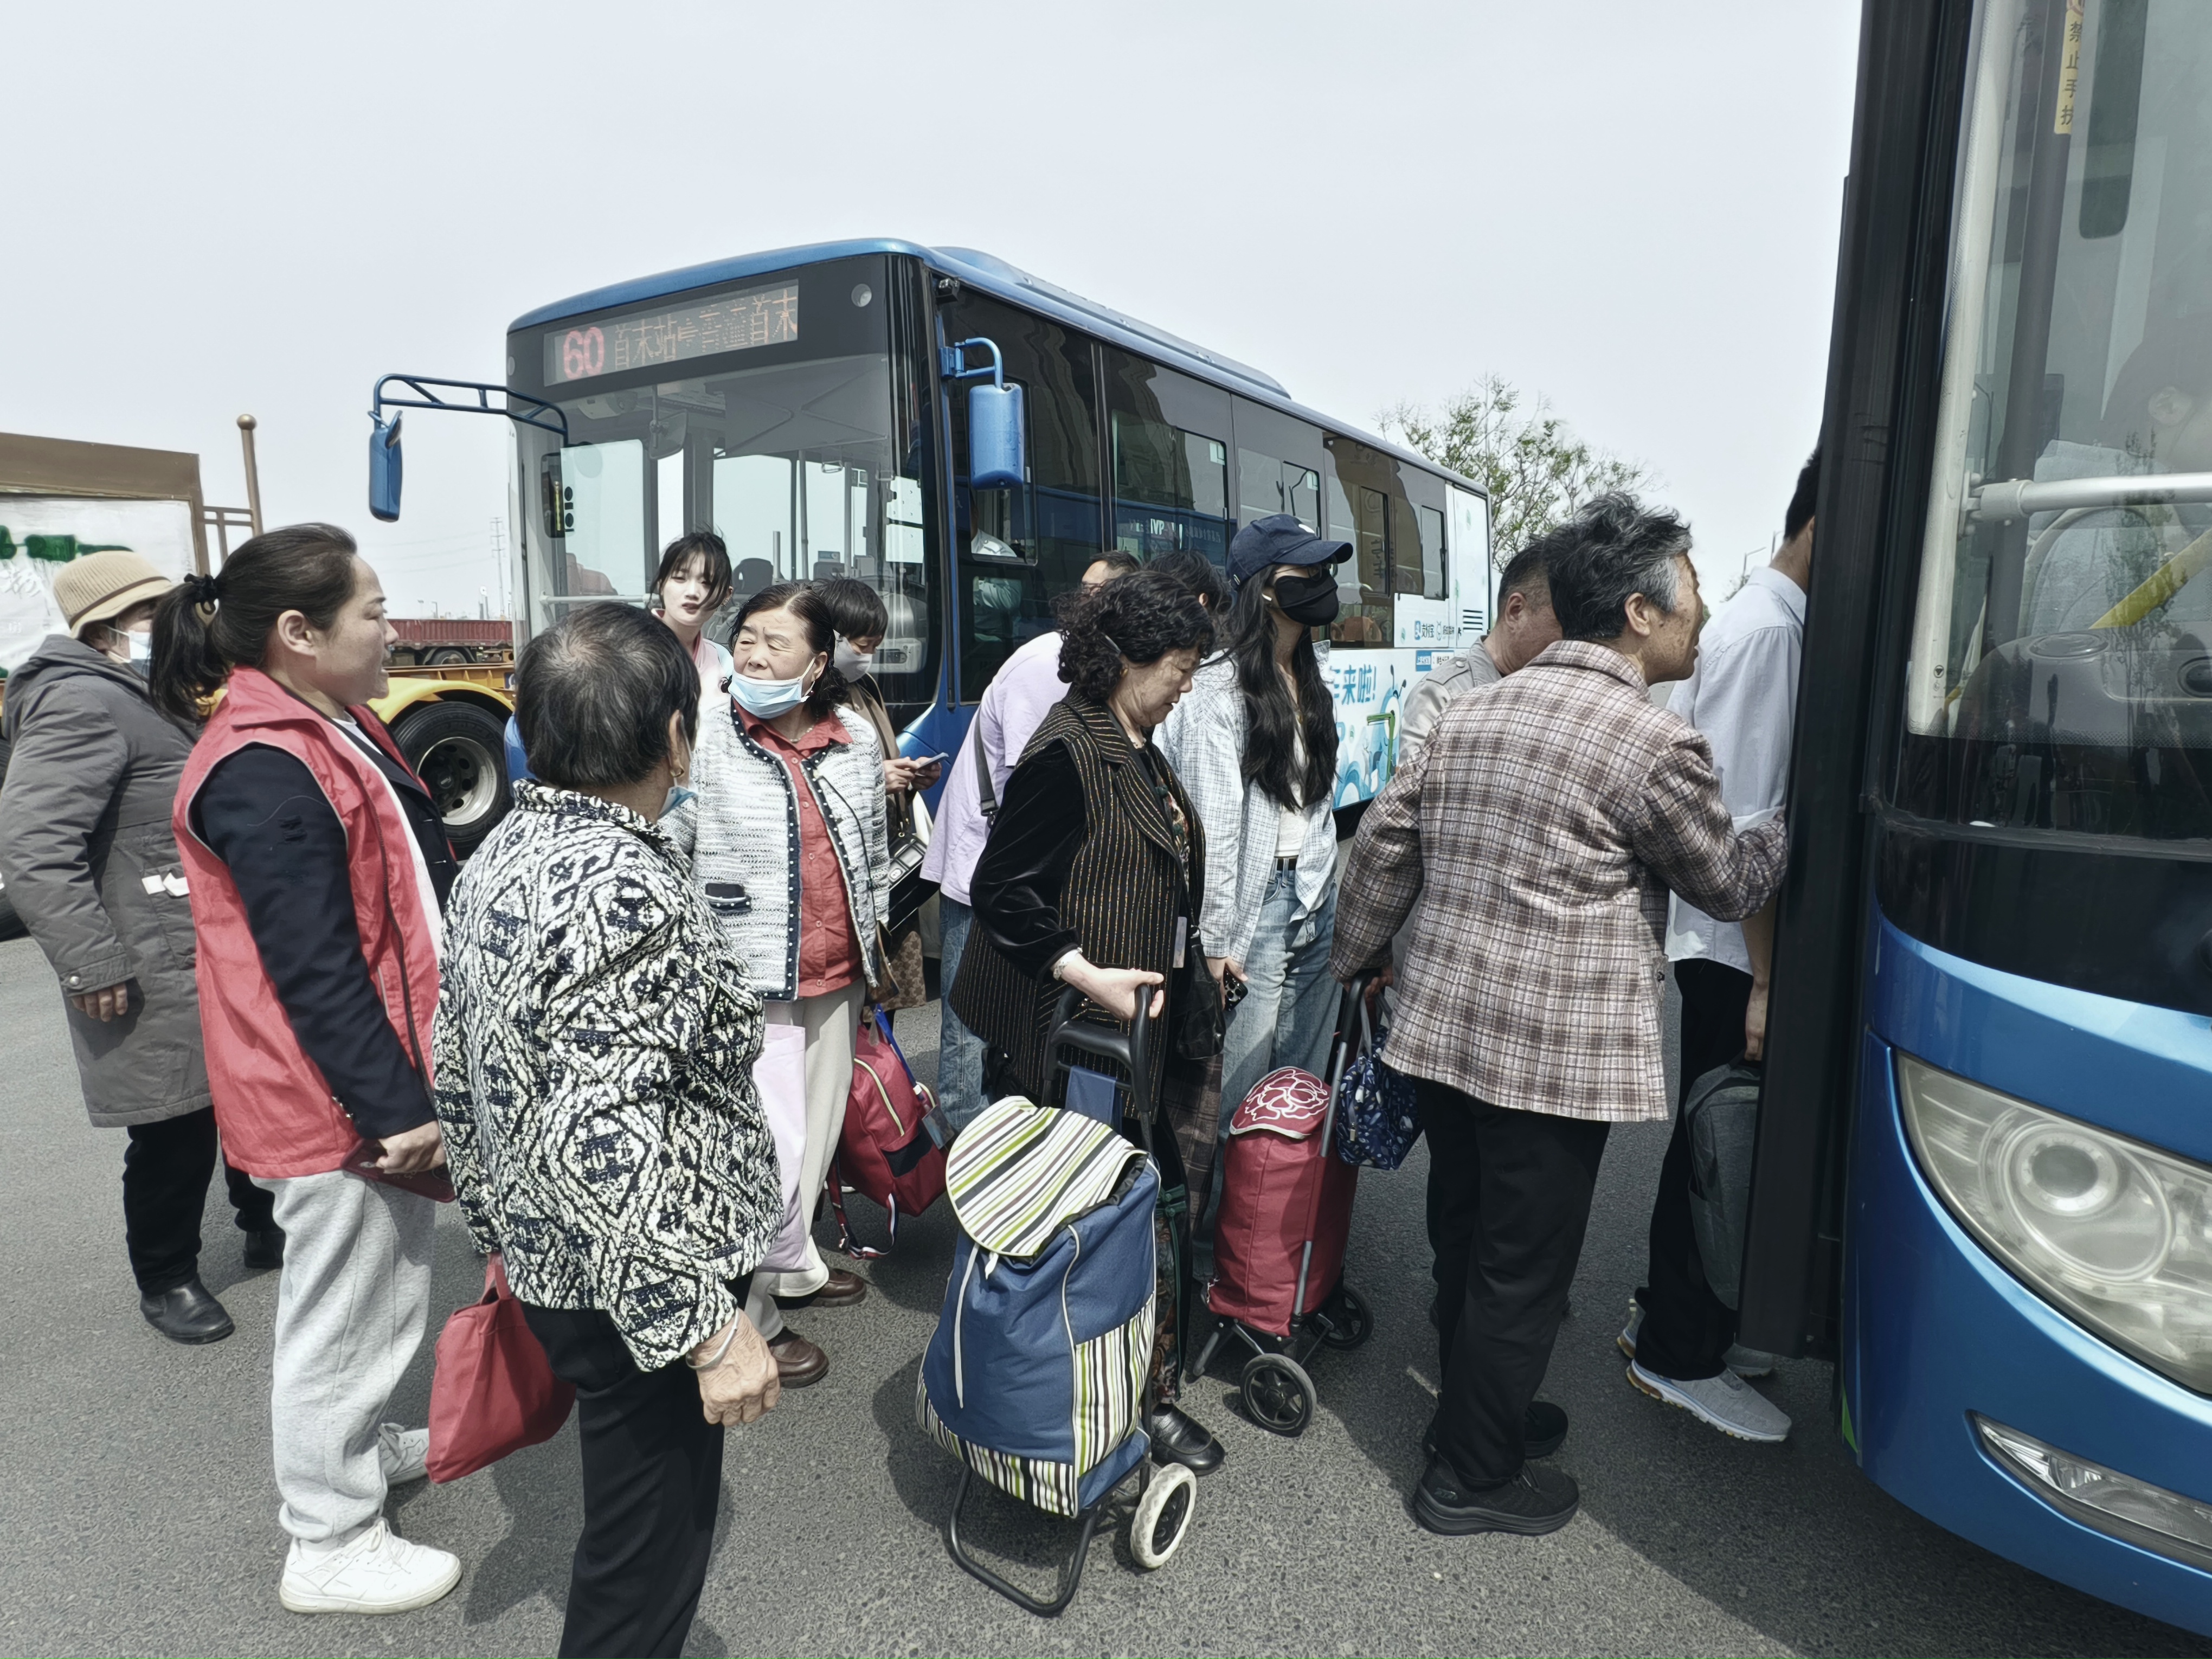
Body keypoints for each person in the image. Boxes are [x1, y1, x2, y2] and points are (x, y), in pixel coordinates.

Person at [1330, 493, 1788, 1539]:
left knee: (1467, 1236)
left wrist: (1358, 964)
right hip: (1549, 1060)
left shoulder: (1474, 710)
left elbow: (1384, 854)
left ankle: (1475, 1415)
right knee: (1522, 1270)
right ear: (1639, 611)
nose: (1705, 614)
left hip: (1438, 1031)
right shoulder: (1652, 743)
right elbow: (1724, 882)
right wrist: (1781, 831)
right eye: (1693, 594)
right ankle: (1470, 1478)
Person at [436, 603, 782, 1659]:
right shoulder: (620, 891)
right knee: (640, 1566)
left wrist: (493, 1216)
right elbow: (610, 1135)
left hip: (556, 1259)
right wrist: (705, 1332)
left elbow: (456, 1055)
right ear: (677, 738)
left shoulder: (506, 848)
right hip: (634, 1280)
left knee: (630, 1533)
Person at [157, 525, 461, 1613]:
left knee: (385, 1287)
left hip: (364, 1075)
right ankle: (327, 1540)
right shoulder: (262, 764)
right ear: (299, 633)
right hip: (330, 1092)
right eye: (373, 614)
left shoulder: (323, 722)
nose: (394, 632)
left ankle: (361, 1450)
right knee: (341, 1311)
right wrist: (397, 1107)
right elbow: (317, 969)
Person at [948, 566, 1226, 1476]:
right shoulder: (1070, 750)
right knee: (1100, 1230)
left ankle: (1119, 1397)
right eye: (1180, 663)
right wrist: (1084, 971)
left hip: (1129, 1031)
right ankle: (1105, 1410)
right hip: (1081, 1043)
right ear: (1125, 658)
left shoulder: (1132, 735)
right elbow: (1002, 892)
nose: (1189, 681)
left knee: (1128, 1217)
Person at [0, 550, 279, 1344]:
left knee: (241, 1098)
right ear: (113, 626)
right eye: (159, 611)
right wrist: (91, 960)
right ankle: (167, 1276)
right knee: (173, 1127)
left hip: (201, 944)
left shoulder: (152, 696)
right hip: (145, 956)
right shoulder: (81, 703)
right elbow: (32, 848)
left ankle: (261, 1225)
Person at [1624, 453, 1819, 1418]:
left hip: (1738, 946)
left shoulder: (1766, 627)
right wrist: (1769, 982)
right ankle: (1679, 1349)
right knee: (1715, 1143)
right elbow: (1744, 831)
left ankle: (1680, 1321)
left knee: (1712, 1142)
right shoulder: (1769, 638)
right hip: (1737, 949)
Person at [671, 581, 890, 1390]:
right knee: (763, 1151)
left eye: (778, 643)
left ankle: (789, 1268)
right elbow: (671, 836)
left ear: (819, 662)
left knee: (814, 1140)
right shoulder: (705, 731)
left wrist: (874, 939)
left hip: (836, 972)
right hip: (747, 980)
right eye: (749, 639)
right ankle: (753, 1315)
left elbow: (867, 847)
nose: (756, 656)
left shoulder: (856, 740)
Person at [1158, 515, 1346, 1214]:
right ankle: (1215, 1255)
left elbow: (1318, 805)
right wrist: (1218, 943)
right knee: (1237, 1094)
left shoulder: (1309, 677)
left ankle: (1271, 1241)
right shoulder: (1218, 690)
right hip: (1253, 909)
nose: (1326, 586)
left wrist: (1329, 897)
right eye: (1309, 572)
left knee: (1295, 1091)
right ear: (1267, 588)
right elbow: (1213, 827)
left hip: (1313, 895)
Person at [923, 550, 1140, 1131]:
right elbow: (1033, 782)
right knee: (972, 1019)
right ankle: (970, 1156)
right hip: (987, 868)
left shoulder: (1096, 666)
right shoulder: (1046, 664)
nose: (1083, 606)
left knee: (1008, 1016)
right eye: (1085, 592)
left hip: (1019, 873)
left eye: (1101, 596)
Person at [1396, 539, 1562, 769]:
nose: (1570, 640)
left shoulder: (1553, 689)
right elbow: (1412, 793)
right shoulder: (1442, 694)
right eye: (1562, 624)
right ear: (1516, 611)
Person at [652, 529, 738, 695]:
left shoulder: (722, 658)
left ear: (726, 596)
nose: (692, 592)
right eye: (680, 578)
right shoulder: (630, 648)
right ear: (661, 585)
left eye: (707, 582)